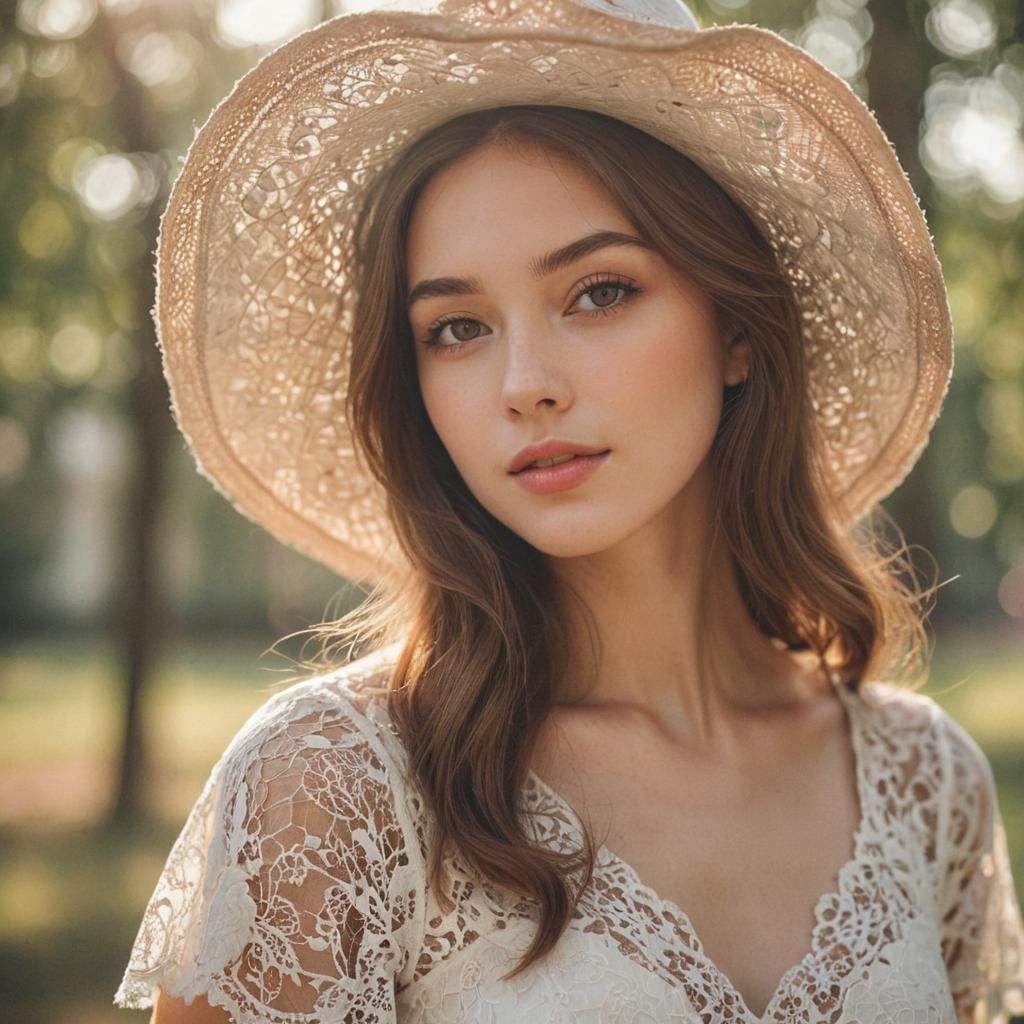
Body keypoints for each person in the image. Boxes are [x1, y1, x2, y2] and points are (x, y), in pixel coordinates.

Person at [113, 0, 1024, 1021]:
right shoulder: (331, 789)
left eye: (596, 292)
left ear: (735, 325)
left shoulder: (922, 779)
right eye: (456, 327)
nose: (525, 383)